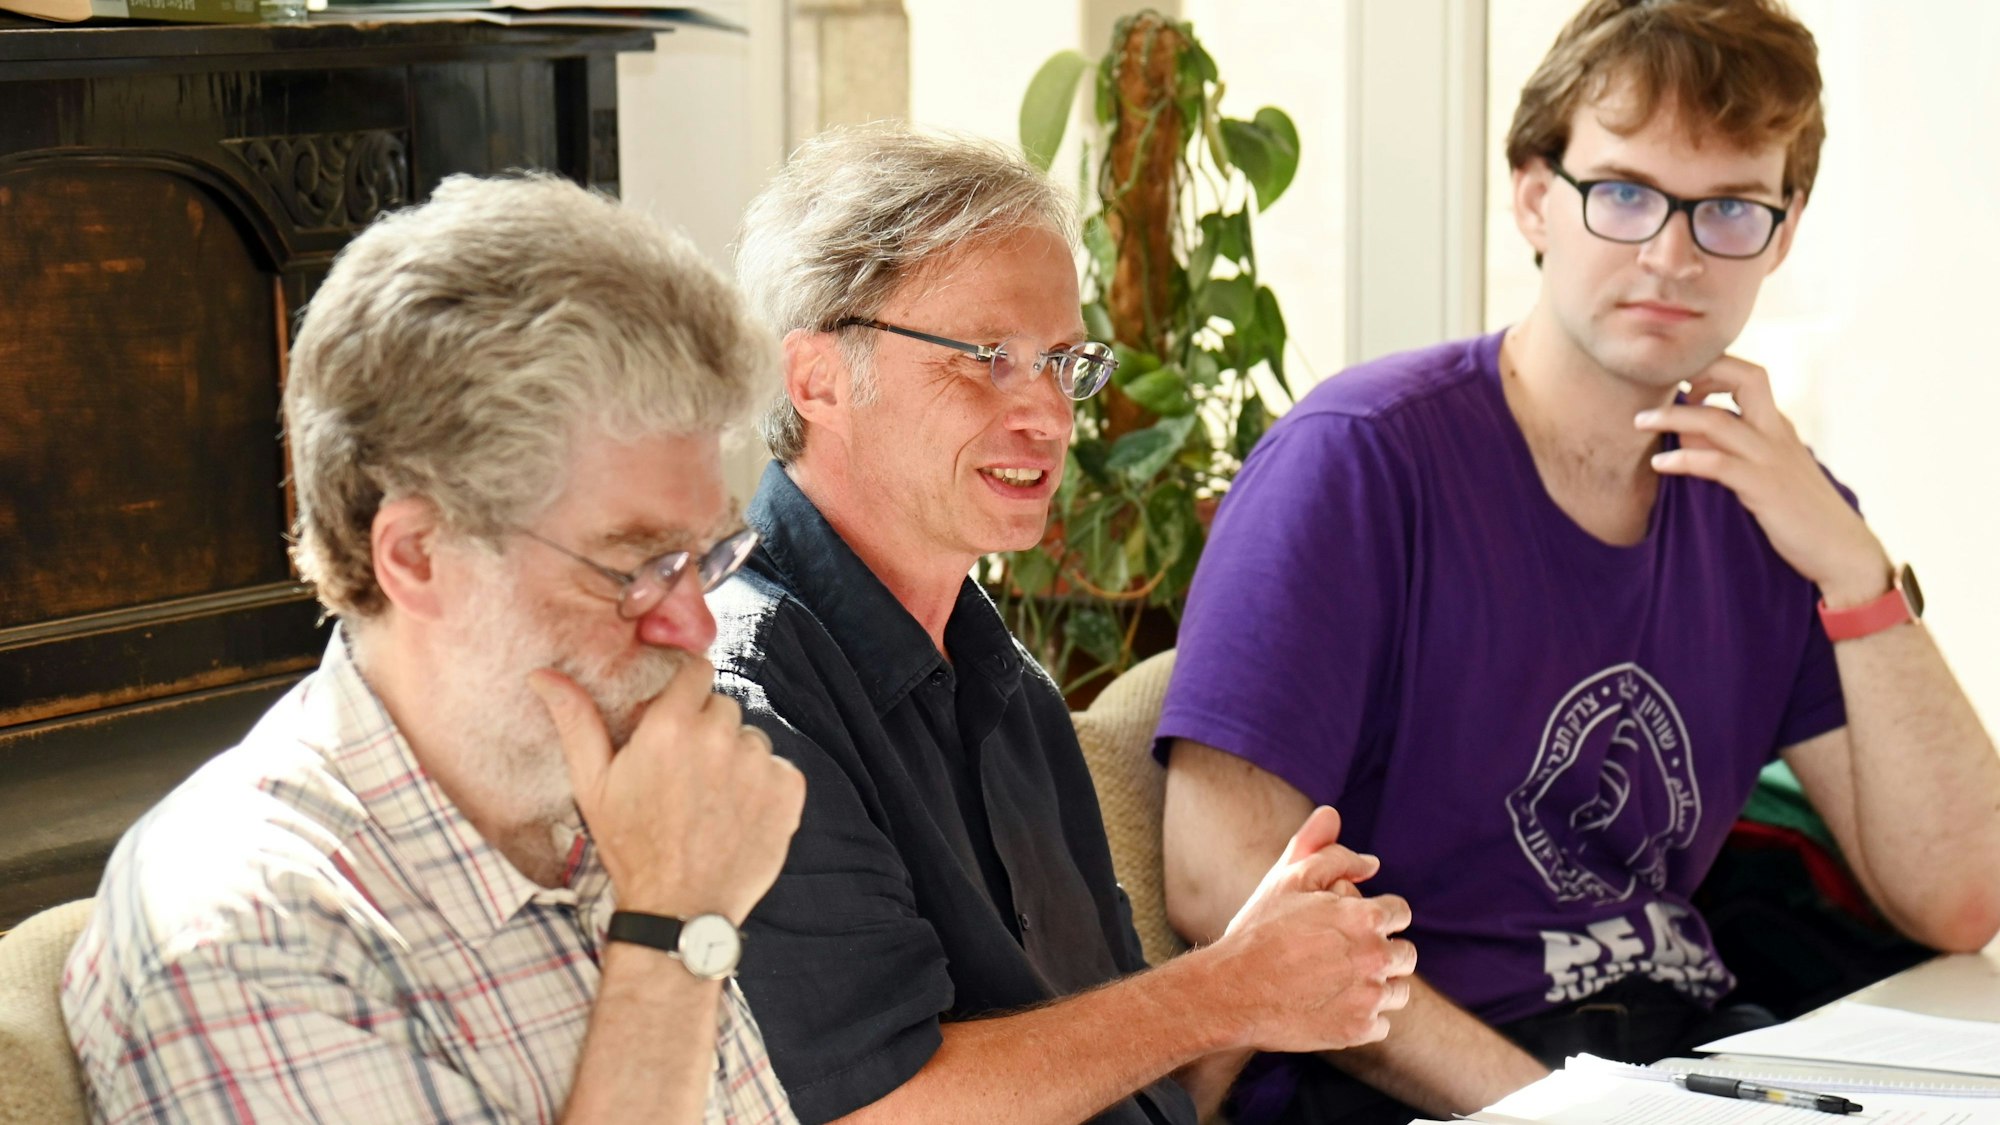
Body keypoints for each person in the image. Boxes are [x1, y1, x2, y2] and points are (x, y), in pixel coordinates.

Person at [1157, 1, 2000, 1123]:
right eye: (1623, 193)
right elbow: (1219, 883)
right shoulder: (1357, 461)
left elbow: (1956, 899)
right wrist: (1557, 1112)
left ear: (1783, 231)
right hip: (1414, 1076)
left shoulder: (1769, 509)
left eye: (1728, 210)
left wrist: (1850, 569)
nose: (1670, 253)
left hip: (1677, 1057)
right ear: (1532, 196)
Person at [62, 173, 807, 1124]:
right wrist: (671, 929)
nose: (697, 627)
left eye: (702, 558)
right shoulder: (244, 935)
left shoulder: (605, 808)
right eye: (636, 565)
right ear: (417, 554)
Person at [710, 125, 1418, 1125]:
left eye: (1059, 362)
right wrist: (1225, 990)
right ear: (818, 378)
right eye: (986, 358)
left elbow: (1135, 1082)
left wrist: (1254, 992)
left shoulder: (1005, 682)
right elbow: (878, 1107)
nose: (1046, 413)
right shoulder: (745, 703)